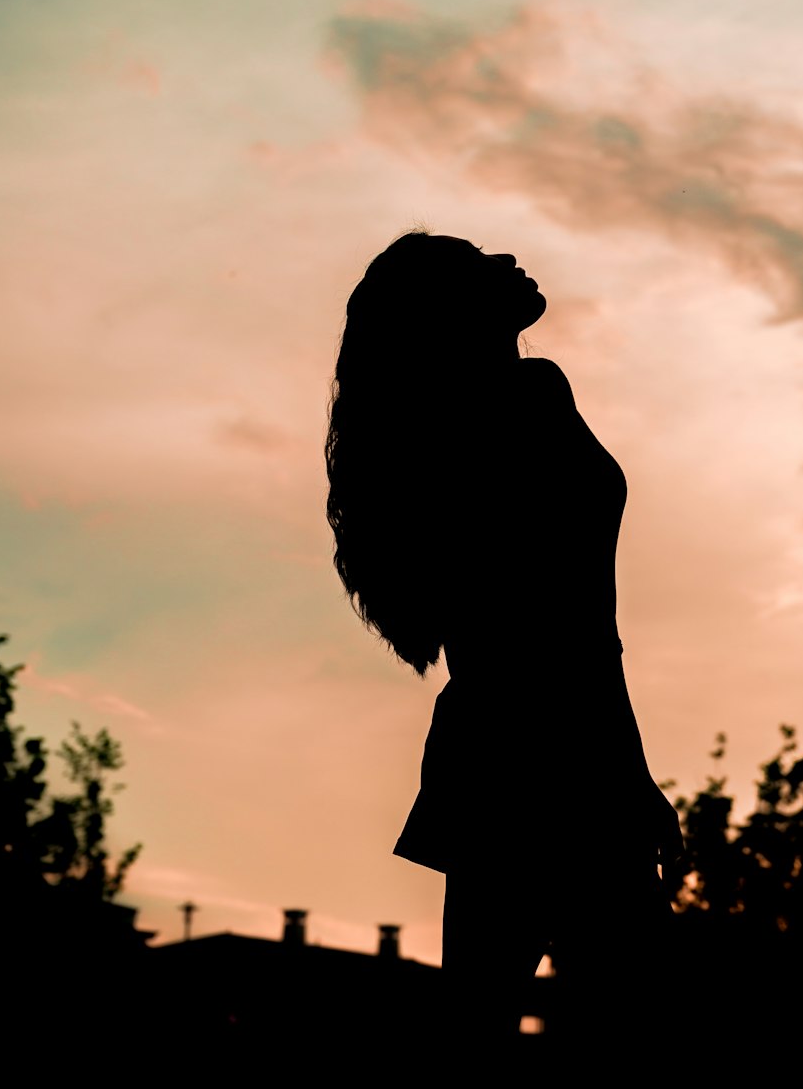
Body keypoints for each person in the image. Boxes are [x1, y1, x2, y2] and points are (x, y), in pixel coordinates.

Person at [325, 229, 684, 1054]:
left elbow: (556, 632)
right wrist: (628, 777)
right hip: (559, 752)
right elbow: (574, 635)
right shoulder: (523, 404)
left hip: (493, 752)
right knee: (640, 1034)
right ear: (451, 311)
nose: (507, 261)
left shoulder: (449, 436)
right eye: (476, 263)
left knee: (478, 1037)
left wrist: (629, 776)